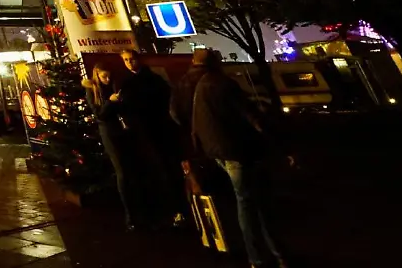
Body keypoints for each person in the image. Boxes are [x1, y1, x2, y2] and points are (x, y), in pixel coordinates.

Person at [192, 51, 286, 268]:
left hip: (216, 151)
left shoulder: (200, 86)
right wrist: (273, 139)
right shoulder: (223, 84)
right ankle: (263, 255)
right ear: (217, 63)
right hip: (235, 151)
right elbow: (249, 113)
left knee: (245, 199)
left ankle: (260, 255)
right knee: (251, 202)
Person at [118, 49, 184, 225]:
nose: (129, 62)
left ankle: (176, 208)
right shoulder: (126, 82)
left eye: (131, 59)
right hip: (140, 132)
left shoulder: (153, 80)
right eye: (126, 60)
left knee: (166, 167)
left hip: (157, 129)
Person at [86, 64, 142, 230]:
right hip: (110, 133)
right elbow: (99, 115)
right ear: (97, 75)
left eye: (109, 76)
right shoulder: (93, 90)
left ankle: (140, 208)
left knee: (133, 168)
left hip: (125, 130)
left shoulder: (116, 86)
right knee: (122, 171)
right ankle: (129, 213)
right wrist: (111, 102)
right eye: (104, 77)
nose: (107, 79)